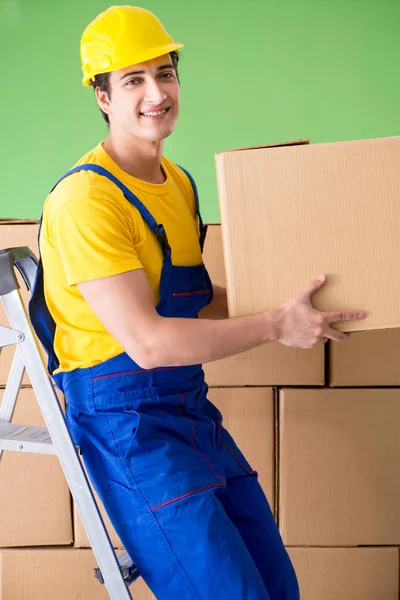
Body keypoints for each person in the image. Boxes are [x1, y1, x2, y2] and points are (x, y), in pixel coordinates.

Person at [28, 5, 365, 600]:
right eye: (133, 80)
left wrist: (301, 303)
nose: (156, 93)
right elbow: (150, 341)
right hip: (125, 421)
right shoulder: (85, 201)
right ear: (102, 96)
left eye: (166, 73)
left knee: (278, 588)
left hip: (189, 407)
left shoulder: (178, 183)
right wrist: (274, 325)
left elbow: (194, 301)